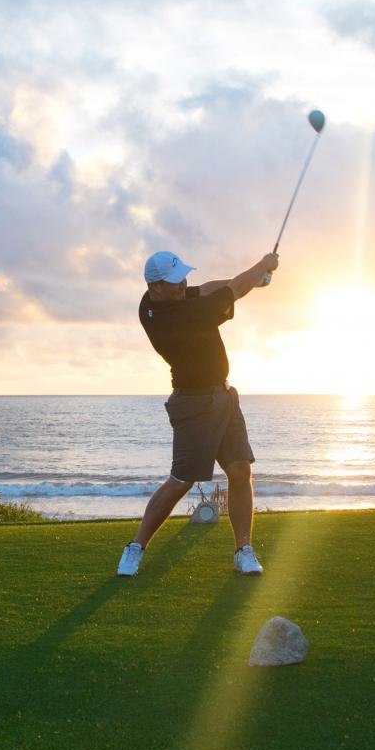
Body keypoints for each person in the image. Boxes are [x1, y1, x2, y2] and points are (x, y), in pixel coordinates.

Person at [117, 247, 280, 578]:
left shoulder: (153, 302)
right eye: (176, 282)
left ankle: (243, 550)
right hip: (193, 403)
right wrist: (261, 266)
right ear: (157, 285)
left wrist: (255, 280)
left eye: (182, 278)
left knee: (239, 471)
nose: (183, 285)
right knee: (182, 480)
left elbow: (206, 288)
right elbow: (230, 291)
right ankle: (135, 548)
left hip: (223, 396)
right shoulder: (182, 316)